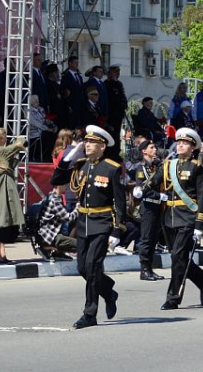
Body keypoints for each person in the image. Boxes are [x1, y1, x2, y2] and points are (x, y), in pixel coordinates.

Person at [50, 125, 125, 329]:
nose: (88, 145)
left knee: (92, 266)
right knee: (83, 267)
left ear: (102, 146)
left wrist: (117, 230)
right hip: (83, 222)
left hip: (102, 222)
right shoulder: (80, 165)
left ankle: (89, 313)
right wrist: (68, 159)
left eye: (92, 142)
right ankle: (108, 290)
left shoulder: (111, 168)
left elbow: (120, 202)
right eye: (87, 142)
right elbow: (55, 180)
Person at [146, 128, 203, 310]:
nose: (181, 145)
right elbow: (152, 182)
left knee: (177, 257)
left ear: (193, 147)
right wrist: (145, 190)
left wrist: (200, 223)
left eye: (186, 143)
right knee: (180, 257)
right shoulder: (169, 165)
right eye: (180, 142)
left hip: (188, 218)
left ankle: (173, 297)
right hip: (169, 218)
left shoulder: (197, 167)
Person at [0, 128, 27, 263]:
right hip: (5, 186)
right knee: (5, 220)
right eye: (4, 136)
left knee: (7, 220)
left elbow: (11, 160)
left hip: (6, 185)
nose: (6, 137)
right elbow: (19, 145)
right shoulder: (0, 151)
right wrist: (21, 139)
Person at [132, 138, 166, 281]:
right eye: (151, 148)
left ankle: (150, 268)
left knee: (153, 239)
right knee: (146, 239)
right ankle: (144, 269)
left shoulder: (155, 166)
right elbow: (142, 190)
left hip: (157, 207)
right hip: (148, 207)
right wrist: (160, 195)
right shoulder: (142, 168)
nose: (155, 150)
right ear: (144, 151)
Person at [38, 179, 78, 259]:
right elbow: (68, 218)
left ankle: (57, 252)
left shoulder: (50, 197)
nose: (66, 187)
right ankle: (46, 248)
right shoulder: (54, 201)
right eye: (64, 185)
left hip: (46, 235)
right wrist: (78, 208)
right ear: (59, 186)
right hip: (50, 237)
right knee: (81, 244)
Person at [104, 65, 128, 153]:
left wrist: (124, 105)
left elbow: (122, 96)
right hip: (111, 114)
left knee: (117, 134)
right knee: (111, 133)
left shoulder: (119, 84)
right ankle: (111, 151)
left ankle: (117, 151)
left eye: (118, 72)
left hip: (119, 114)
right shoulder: (107, 84)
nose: (117, 74)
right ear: (110, 73)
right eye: (115, 72)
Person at [59, 55, 84, 129]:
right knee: (71, 125)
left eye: (77, 63)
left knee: (79, 126)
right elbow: (63, 90)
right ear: (70, 64)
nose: (77, 64)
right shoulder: (66, 76)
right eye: (75, 63)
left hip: (79, 105)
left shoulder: (79, 77)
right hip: (71, 106)